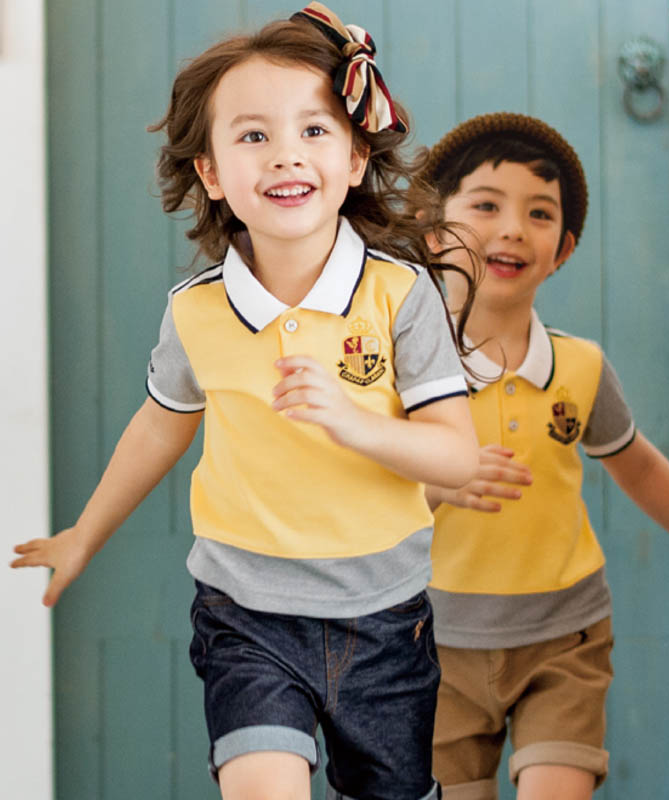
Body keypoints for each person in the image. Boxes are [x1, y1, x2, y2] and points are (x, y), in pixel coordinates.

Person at [11, 5, 480, 799]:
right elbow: (159, 427)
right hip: (247, 613)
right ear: (212, 173)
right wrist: (84, 535)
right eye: (253, 136)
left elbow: (456, 456)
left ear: (358, 156)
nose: (285, 155)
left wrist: (350, 421)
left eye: (314, 131)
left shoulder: (399, 298)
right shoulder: (196, 311)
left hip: (386, 615)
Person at [420, 112, 669, 800]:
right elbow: (360, 494)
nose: (513, 227)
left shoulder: (580, 368)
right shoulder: (408, 367)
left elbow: (639, 466)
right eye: (487, 205)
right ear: (436, 234)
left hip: (565, 634)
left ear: (563, 249)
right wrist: (439, 484)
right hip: (431, 641)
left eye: (539, 213)